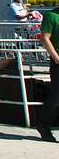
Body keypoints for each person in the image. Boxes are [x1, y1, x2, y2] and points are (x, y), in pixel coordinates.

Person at [37, 8, 59, 142]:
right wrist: (56, 58)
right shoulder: (51, 15)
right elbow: (45, 38)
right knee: (57, 96)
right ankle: (43, 125)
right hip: (58, 59)